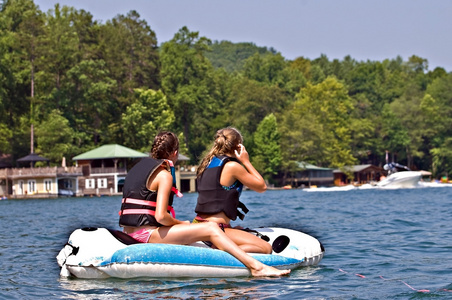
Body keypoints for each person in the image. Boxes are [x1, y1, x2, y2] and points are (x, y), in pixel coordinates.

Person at [119, 131, 289, 277]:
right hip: (146, 234)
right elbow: (161, 217)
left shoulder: (137, 169)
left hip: (128, 232)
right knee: (211, 229)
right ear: (174, 153)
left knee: (207, 229)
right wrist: (180, 223)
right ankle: (256, 267)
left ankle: (228, 251)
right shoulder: (164, 175)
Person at [195, 127, 272, 254]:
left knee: (240, 232)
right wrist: (246, 161)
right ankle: (219, 253)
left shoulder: (206, 164)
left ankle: (222, 245)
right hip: (215, 229)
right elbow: (261, 187)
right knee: (266, 248)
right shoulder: (232, 166)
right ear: (238, 146)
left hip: (199, 224)